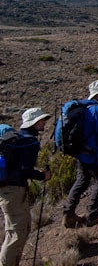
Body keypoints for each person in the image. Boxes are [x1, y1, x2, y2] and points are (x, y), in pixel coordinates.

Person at [0, 108, 51, 266]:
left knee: (14, 231)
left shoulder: (18, 139)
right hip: (14, 192)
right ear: (34, 123)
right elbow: (24, 170)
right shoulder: (29, 141)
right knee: (17, 233)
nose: (44, 123)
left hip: (8, 191)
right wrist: (43, 176)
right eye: (41, 120)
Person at [63, 79, 98, 228]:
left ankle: (68, 213)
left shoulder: (83, 107)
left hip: (81, 152)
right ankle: (92, 214)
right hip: (95, 152)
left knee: (81, 181)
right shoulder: (97, 110)